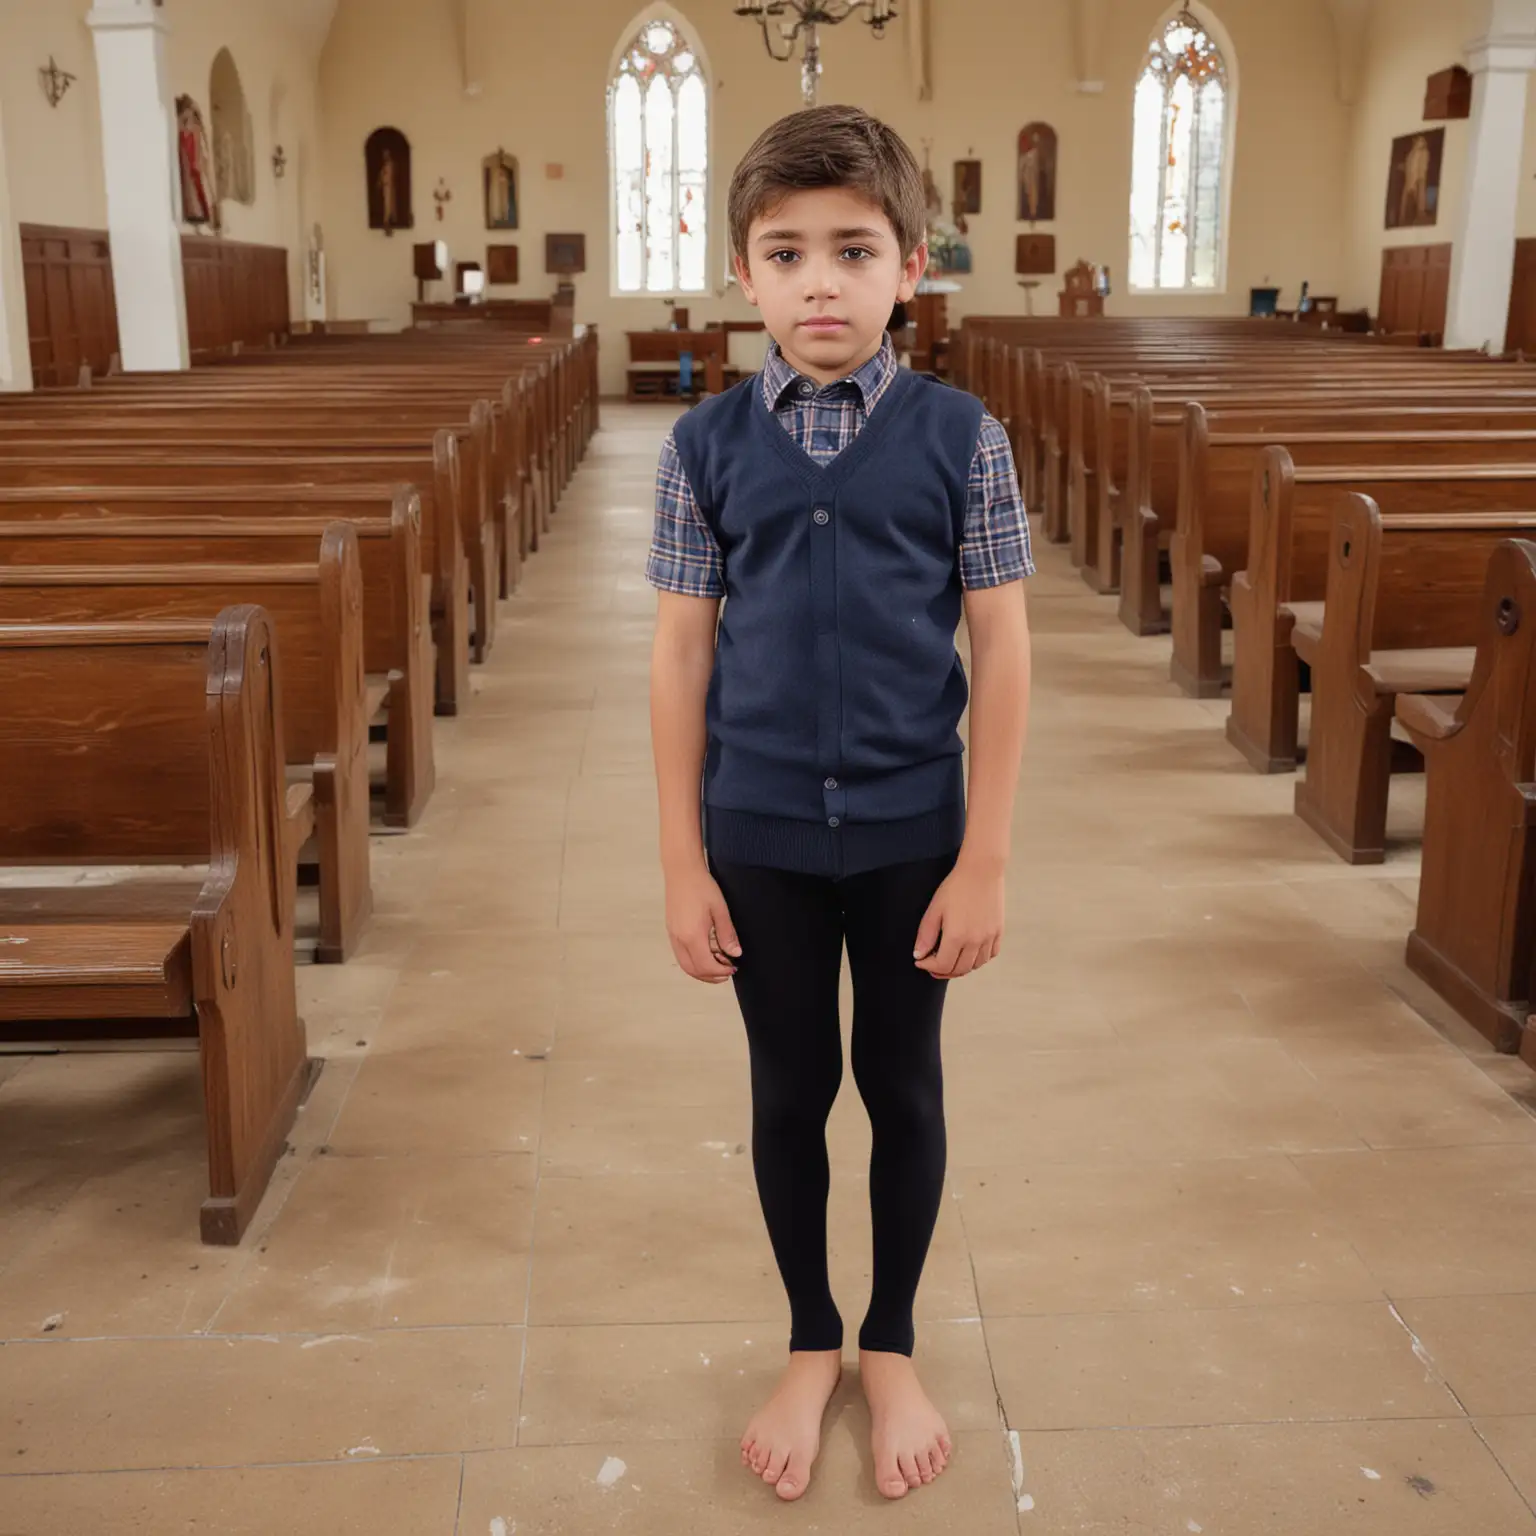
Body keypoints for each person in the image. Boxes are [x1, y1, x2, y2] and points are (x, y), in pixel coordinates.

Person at [647, 105, 1033, 1504]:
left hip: (912, 832)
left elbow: (1000, 645)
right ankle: (811, 1336)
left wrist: (984, 855)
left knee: (903, 1085)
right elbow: (684, 651)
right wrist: (683, 860)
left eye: (853, 250)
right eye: (787, 251)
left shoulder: (959, 435)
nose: (821, 280)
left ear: (910, 268)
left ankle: (893, 1342)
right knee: (790, 1087)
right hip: (757, 835)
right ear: (743, 273)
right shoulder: (703, 445)